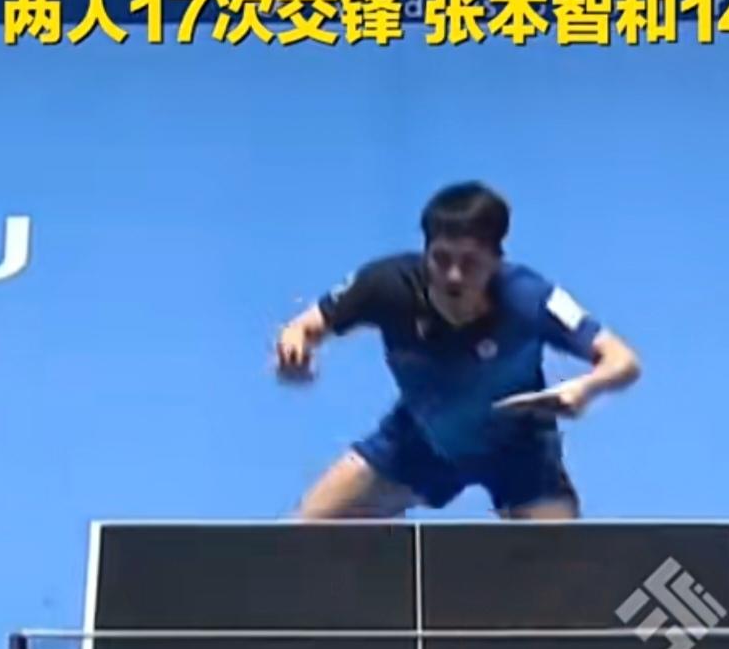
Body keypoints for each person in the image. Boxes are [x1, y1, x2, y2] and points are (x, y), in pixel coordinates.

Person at [274, 182, 641, 520]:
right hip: (421, 440)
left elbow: (622, 360)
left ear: (496, 260)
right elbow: (303, 327)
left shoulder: (530, 298)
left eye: (469, 263)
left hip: (521, 450)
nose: (453, 276)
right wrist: (295, 349)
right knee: (302, 536)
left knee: (565, 561)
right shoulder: (384, 285)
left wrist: (584, 388)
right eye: (441, 259)